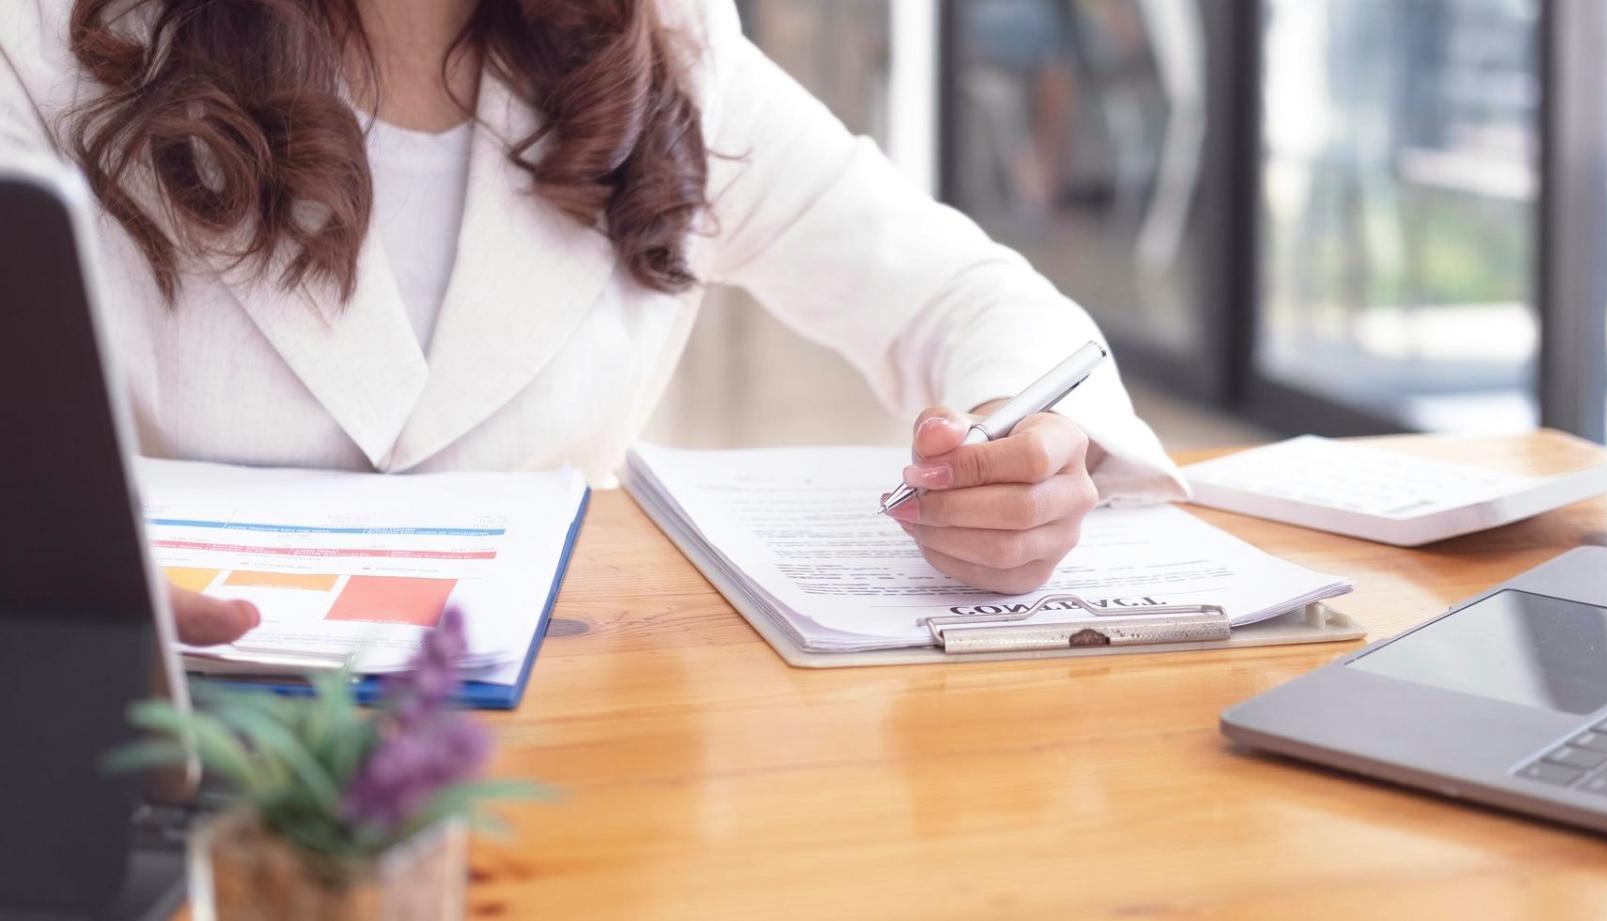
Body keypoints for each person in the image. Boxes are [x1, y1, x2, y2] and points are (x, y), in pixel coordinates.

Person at [0, 0, 1185, 645]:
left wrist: (1020, 450)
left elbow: (970, 297)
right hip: (176, 730)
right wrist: (53, 566)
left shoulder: (669, 51)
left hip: (562, 761)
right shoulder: (52, 43)